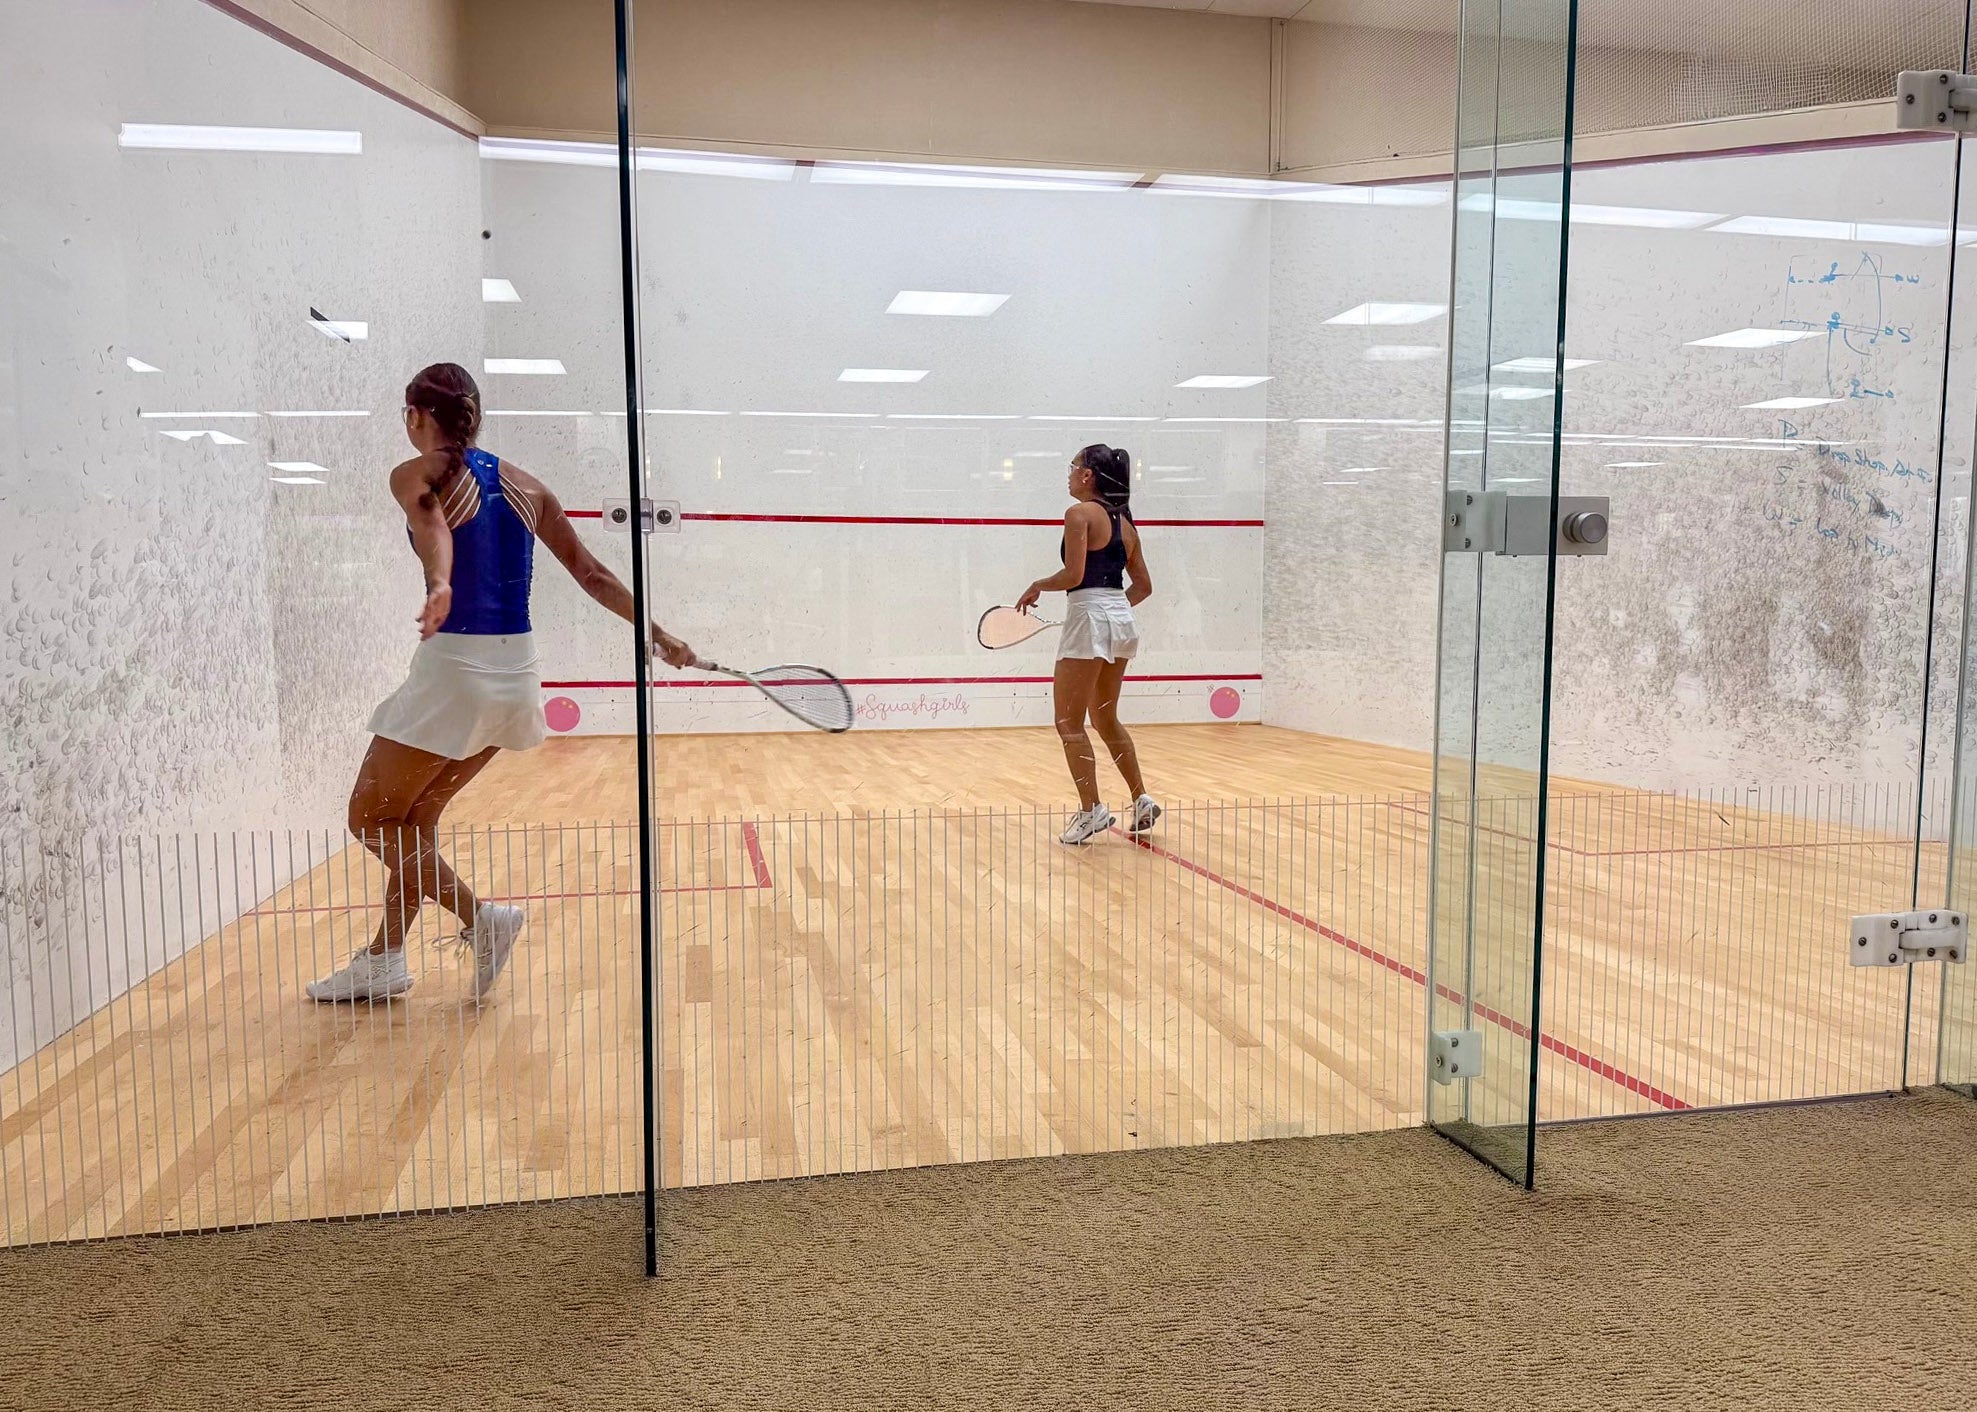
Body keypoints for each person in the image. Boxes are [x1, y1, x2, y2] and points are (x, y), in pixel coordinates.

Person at [306, 362, 695, 1003]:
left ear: (415, 417)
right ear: (476, 418)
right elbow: (593, 575)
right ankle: (386, 958)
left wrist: (438, 584)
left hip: (457, 672)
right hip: (517, 678)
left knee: (369, 819)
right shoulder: (528, 488)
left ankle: (481, 917)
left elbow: (434, 528)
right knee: (413, 821)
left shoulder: (417, 472)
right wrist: (657, 631)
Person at [1016, 443, 1162, 845]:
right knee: (1104, 717)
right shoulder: (1126, 523)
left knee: (1068, 722)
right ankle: (1141, 798)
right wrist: (1110, 612)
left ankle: (1091, 810)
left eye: (1073, 466)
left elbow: (1073, 574)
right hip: (1120, 618)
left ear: (1087, 475)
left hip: (1091, 615)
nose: (1069, 473)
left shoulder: (1078, 514)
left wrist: (1037, 586)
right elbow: (1143, 588)